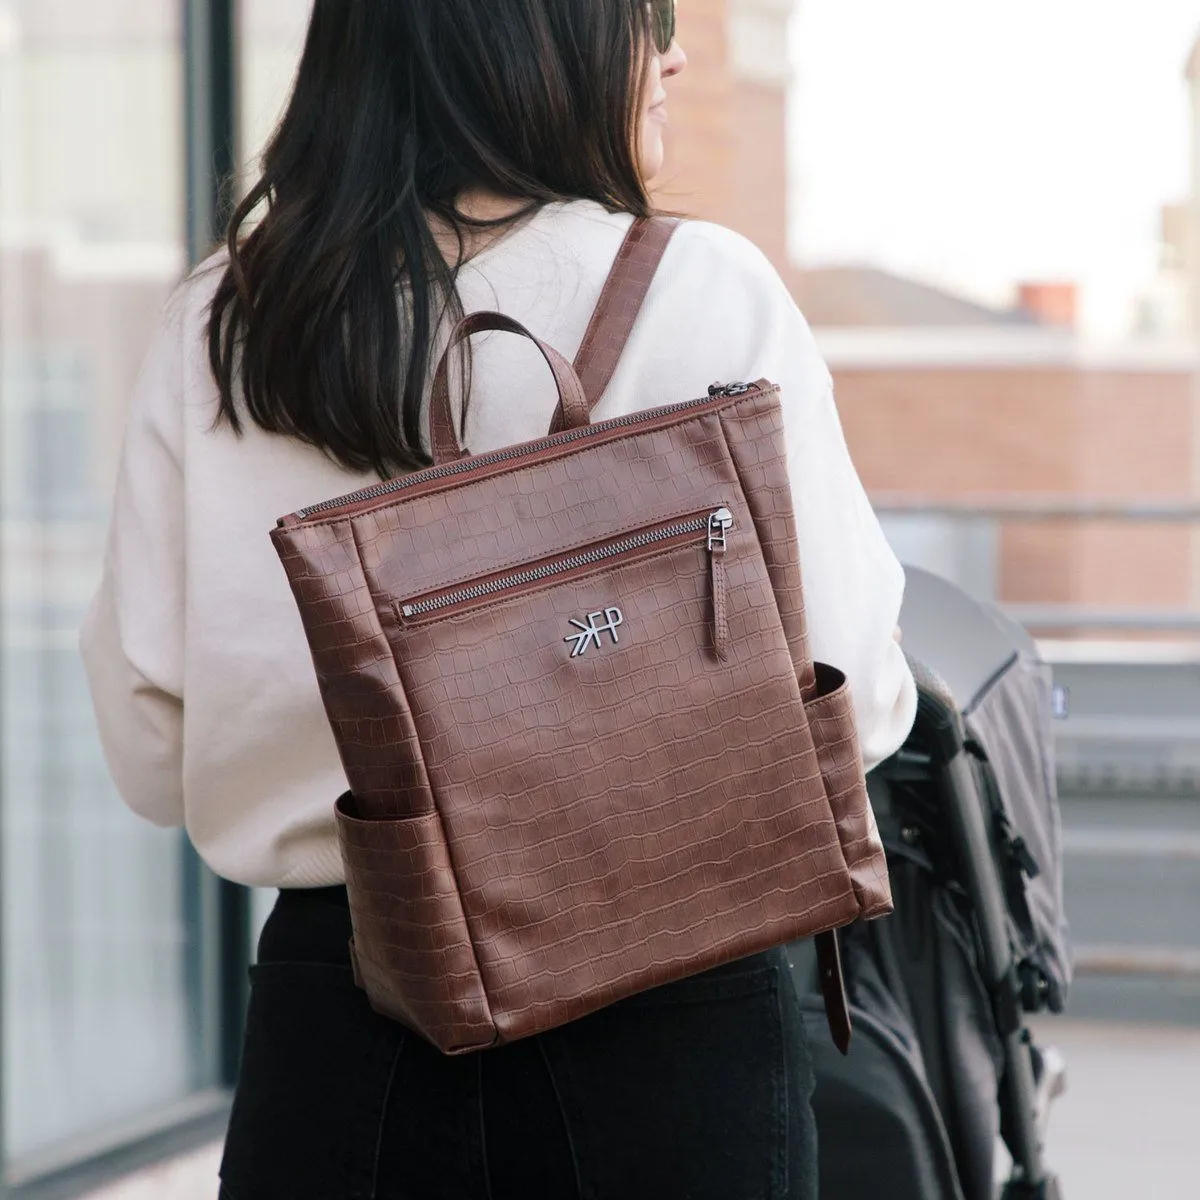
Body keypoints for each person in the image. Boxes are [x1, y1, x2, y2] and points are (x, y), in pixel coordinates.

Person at [80, 2, 917, 1196]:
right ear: (533, 37)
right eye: (645, 19)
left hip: (344, 1012)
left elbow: (152, 749)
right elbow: (854, 698)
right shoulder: (706, 290)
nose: (673, 53)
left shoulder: (225, 320)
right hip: (667, 994)